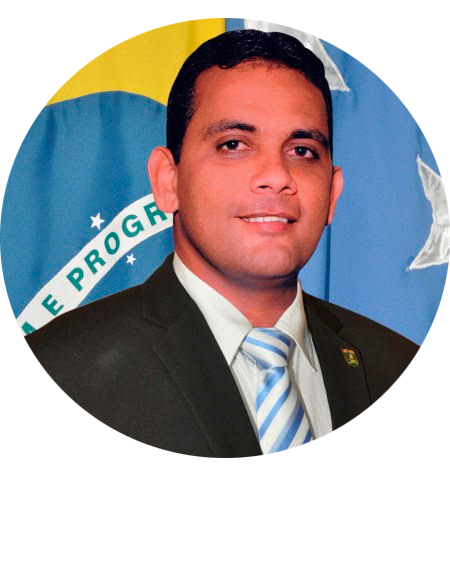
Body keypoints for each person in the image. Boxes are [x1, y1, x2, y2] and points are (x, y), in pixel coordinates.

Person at [25, 29, 419, 458]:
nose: (277, 176)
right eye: (234, 145)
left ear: (332, 193)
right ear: (168, 181)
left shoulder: (404, 370)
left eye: (303, 151)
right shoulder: (53, 375)